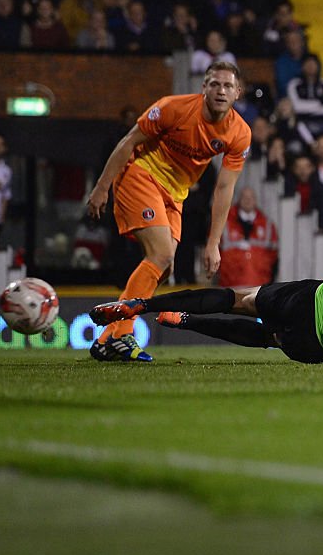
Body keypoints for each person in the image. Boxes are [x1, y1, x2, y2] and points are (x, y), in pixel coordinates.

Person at [90, 219, 323, 366]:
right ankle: (163, 313)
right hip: (313, 337)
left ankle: (146, 307)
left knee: (242, 303)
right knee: (258, 329)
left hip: (309, 306)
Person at [87, 61, 251, 363]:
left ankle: (107, 338)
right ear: (203, 87)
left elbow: (224, 189)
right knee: (161, 255)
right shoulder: (172, 108)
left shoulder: (239, 133)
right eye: (214, 84)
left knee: (164, 268)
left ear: (237, 93)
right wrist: (101, 187)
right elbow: (128, 142)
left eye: (228, 86)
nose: (220, 90)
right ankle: (122, 333)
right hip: (141, 174)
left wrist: (213, 242)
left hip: (175, 194)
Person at [219, 187, 278, 287]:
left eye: (251, 197)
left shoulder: (267, 224)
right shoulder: (224, 222)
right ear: (239, 199)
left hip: (259, 286)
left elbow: (274, 255)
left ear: (256, 200)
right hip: (231, 285)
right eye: (244, 197)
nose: (248, 200)